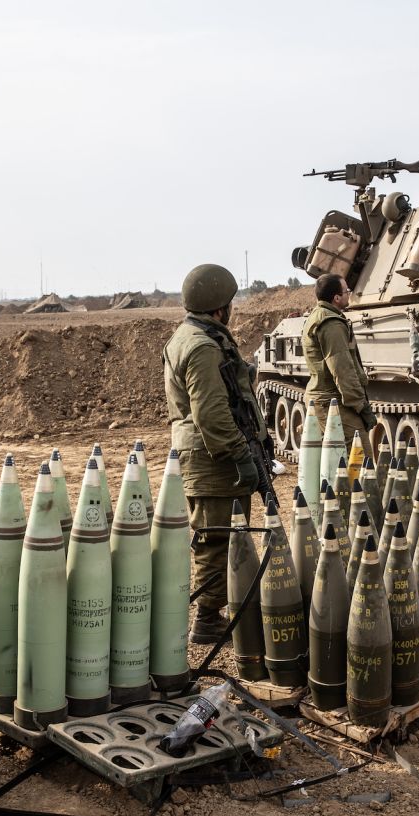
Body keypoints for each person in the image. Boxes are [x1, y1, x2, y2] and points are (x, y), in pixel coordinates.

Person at [163, 263, 270, 644]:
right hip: (212, 458)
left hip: (210, 454)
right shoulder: (202, 346)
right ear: (219, 306)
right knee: (216, 537)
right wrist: (241, 454)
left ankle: (220, 608)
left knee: (227, 532)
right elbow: (211, 413)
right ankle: (207, 619)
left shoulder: (195, 337)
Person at [302, 273, 376, 445]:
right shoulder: (331, 324)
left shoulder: (319, 315)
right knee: (360, 457)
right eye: (346, 291)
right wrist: (361, 406)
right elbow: (342, 370)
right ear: (336, 298)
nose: (349, 293)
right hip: (333, 401)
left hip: (328, 399)